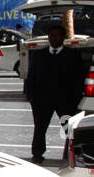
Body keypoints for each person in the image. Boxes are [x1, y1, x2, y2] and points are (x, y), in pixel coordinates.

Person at [24, 25, 85, 163]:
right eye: (51, 35)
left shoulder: (72, 55)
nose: (54, 38)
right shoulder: (38, 55)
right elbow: (31, 76)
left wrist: (75, 98)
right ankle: (37, 153)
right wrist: (30, 96)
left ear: (63, 37)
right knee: (40, 128)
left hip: (65, 100)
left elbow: (78, 78)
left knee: (68, 128)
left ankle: (71, 154)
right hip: (41, 100)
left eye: (57, 35)